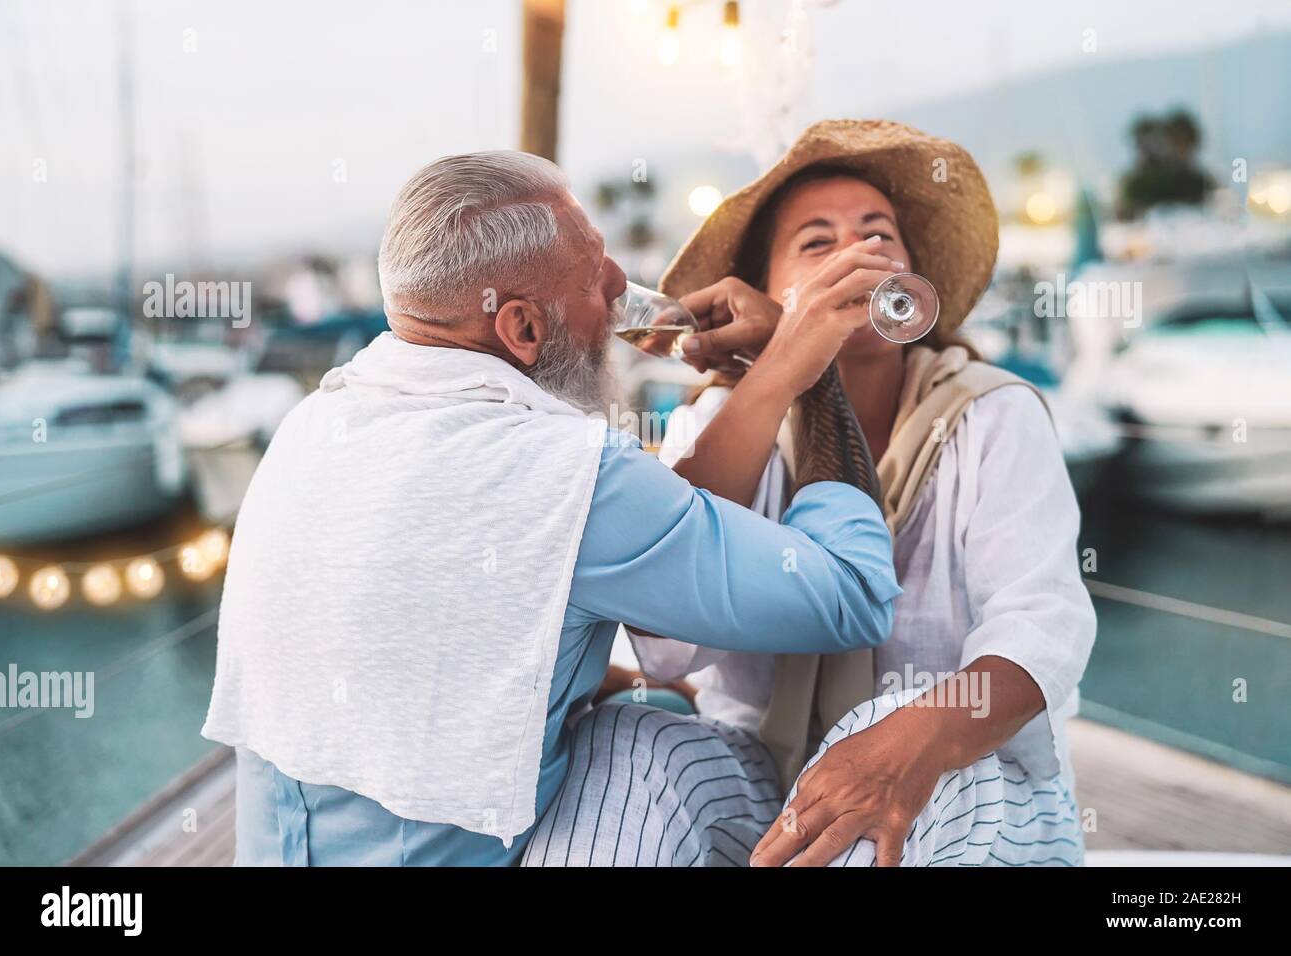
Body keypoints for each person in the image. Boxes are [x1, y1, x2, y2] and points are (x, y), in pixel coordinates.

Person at [200, 150, 900, 865]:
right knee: (659, 744)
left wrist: (772, 373)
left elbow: (641, 533)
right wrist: (812, 373)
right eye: (596, 275)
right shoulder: (566, 472)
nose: (622, 284)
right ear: (523, 331)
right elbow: (854, 593)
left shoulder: (317, 422)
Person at [524, 120, 1096, 867]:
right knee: (627, 743)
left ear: (910, 280)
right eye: (818, 242)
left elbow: (1041, 630)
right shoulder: (717, 422)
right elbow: (662, 645)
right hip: (774, 779)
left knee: (883, 764)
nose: (858, 255)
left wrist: (902, 744)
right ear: (766, 298)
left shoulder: (994, 414)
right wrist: (783, 372)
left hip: (965, 779)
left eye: (879, 235)